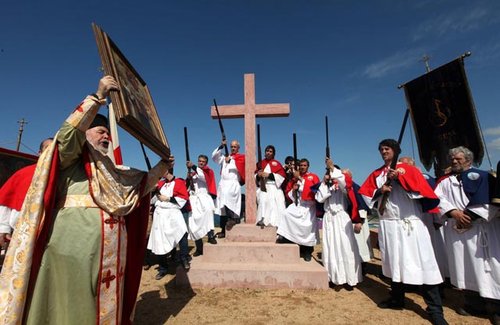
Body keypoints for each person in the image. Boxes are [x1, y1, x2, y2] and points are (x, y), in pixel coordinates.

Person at [0, 76, 172, 325]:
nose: (106, 138)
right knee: (70, 308)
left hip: (109, 259)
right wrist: (97, 98)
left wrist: (162, 167)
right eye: (101, 132)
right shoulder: (71, 158)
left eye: (108, 134)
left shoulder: (112, 170)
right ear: (86, 132)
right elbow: (68, 136)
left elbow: (137, 189)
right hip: (72, 253)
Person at [358, 139, 447, 325]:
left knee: (425, 264)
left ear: (395, 150)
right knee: (394, 263)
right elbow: (366, 195)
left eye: (387, 148)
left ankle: (435, 310)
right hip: (389, 224)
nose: (383, 151)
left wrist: (400, 179)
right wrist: (380, 190)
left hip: (411, 224)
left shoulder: (408, 169)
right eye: (381, 149)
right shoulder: (377, 173)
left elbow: (423, 192)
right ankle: (397, 299)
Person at [433, 146, 500, 322]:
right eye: (452, 159)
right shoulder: (445, 182)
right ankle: (473, 304)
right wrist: (454, 213)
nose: (454, 161)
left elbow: (492, 200)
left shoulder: (484, 176)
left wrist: (469, 217)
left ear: (469, 160)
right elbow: (437, 198)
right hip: (458, 231)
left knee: (489, 268)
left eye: (459, 159)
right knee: (465, 267)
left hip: (481, 230)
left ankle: (496, 308)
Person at [315, 158, 363, 288]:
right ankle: (333, 276)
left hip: (342, 217)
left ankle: (350, 278)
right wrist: (325, 183)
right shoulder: (325, 185)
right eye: (328, 172)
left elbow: (345, 186)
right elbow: (320, 198)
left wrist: (333, 169)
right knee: (331, 247)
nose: (330, 174)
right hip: (329, 218)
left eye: (331, 172)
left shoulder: (344, 184)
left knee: (346, 247)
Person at [0, 138, 53, 249]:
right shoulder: (23, 173)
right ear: (40, 153)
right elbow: (5, 201)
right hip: (19, 234)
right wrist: (3, 228)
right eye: (47, 148)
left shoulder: (65, 176)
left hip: (50, 237)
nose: (51, 152)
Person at [148, 166, 191, 279]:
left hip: (173, 212)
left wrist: (167, 198)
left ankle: (184, 259)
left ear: (167, 170)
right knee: (159, 240)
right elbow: (153, 200)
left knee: (182, 234)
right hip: (160, 214)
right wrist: (153, 191)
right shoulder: (160, 183)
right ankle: (163, 268)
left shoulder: (179, 182)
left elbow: (183, 198)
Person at [277, 158, 320, 262]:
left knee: (307, 229)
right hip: (299, 204)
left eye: (304, 165)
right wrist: (294, 189)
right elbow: (288, 192)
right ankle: (288, 238)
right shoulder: (294, 178)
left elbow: (315, 190)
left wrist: (300, 179)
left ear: (308, 166)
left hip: (309, 205)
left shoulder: (313, 176)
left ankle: (307, 251)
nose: (302, 167)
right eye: (301, 165)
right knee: (286, 214)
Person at [212, 139, 245, 238]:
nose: (233, 148)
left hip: (233, 183)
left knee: (230, 204)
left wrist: (231, 161)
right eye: (231, 146)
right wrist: (221, 146)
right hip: (223, 184)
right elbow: (214, 157)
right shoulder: (225, 157)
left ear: (238, 148)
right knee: (222, 207)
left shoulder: (241, 157)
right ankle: (223, 230)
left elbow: (241, 166)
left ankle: (232, 220)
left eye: (235, 146)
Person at [343, 168, 374, 276]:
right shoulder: (345, 188)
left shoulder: (355, 188)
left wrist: (359, 222)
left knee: (360, 245)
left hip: (358, 221)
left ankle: (363, 269)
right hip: (350, 220)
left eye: (345, 175)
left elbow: (362, 205)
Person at [186, 154, 218, 256]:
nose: (200, 163)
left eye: (203, 161)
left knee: (208, 215)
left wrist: (193, 166)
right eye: (199, 161)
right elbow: (187, 186)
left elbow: (204, 178)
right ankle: (199, 247)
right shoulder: (194, 173)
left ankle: (211, 236)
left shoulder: (208, 171)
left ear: (206, 163)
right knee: (194, 223)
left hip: (205, 197)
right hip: (194, 199)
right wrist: (188, 178)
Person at [255, 145, 286, 227]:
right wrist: (258, 175)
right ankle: (262, 220)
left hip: (274, 187)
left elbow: (281, 177)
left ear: (273, 154)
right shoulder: (260, 163)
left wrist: (269, 175)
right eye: (267, 151)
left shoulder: (277, 164)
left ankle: (276, 225)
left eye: (270, 151)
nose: (268, 152)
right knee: (263, 203)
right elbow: (255, 177)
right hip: (264, 186)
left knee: (276, 205)